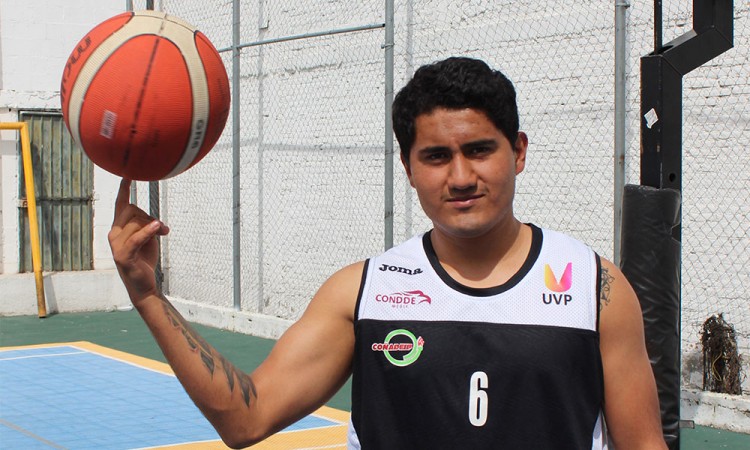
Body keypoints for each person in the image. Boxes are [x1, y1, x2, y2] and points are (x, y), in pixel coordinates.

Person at [109, 56, 666, 449]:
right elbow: (245, 418)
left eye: (479, 150)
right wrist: (148, 294)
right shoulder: (365, 292)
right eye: (436, 156)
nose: (460, 177)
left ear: (518, 152)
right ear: (408, 168)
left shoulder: (592, 287)